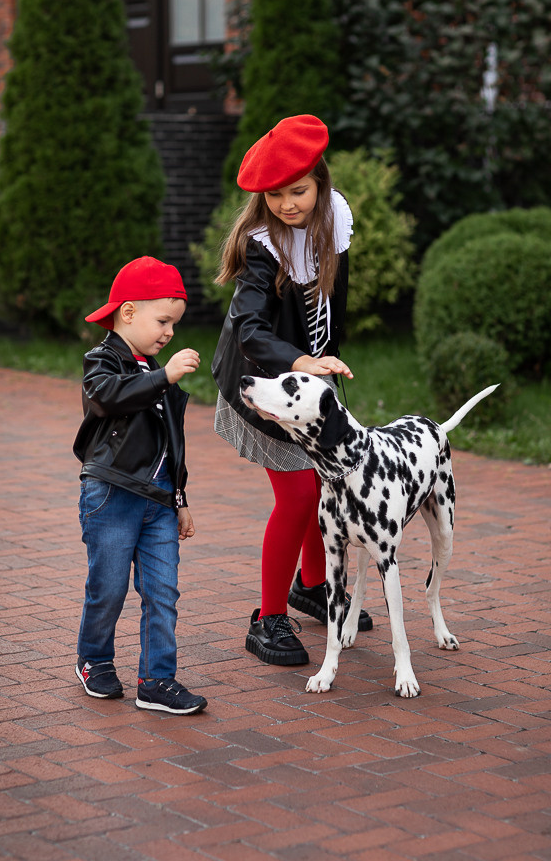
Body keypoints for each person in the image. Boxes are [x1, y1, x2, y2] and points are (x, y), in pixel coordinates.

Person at [212, 113, 373, 666]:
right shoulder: (262, 244)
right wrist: (302, 360)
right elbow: (250, 329)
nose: (287, 204)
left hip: (307, 379)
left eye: (298, 191)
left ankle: (313, 586)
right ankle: (269, 619)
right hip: (261, 380)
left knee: (323, 483)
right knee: (300, 494)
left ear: (320, 183)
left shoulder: (335, 216)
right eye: (275, 195)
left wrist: (324, 357)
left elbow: (334, 297)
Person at [73, 256, 207, 715]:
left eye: (175, 323)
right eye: (163, 320)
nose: (169, 332)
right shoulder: (103, 360)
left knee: (162, 591)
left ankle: (157, 679)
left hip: (159, 502)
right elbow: (107, 397)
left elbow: (173, 444)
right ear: (128, 313)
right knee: (107, 587)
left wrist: (181, 499)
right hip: (111, 495)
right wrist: (163, 376)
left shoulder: (154, 369)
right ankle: (93, 659)